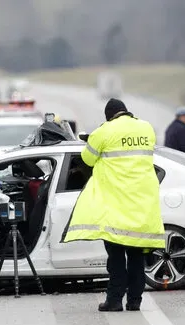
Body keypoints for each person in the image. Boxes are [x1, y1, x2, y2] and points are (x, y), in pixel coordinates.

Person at [60, 98, 165, 312]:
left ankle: (114, 300)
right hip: (141, 204)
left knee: (116, 259)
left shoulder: (104, 131)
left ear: (108, 115)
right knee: (136, 258)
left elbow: (87, 159)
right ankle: (135, 301)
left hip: (115, 206)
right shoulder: (146, 128)